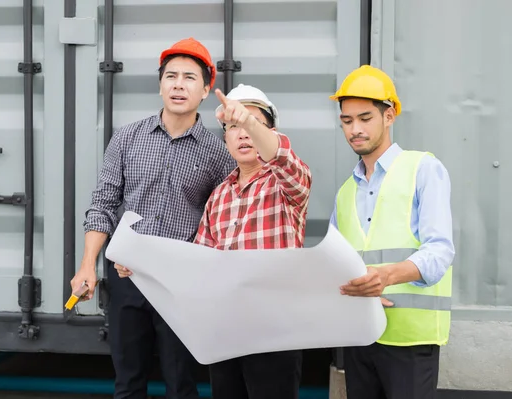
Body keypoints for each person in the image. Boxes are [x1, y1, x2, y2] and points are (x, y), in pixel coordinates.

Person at [71, 37, 236, 399]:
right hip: (126, 278)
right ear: (160, 84)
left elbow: (221, 226)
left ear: (206, 90)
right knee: (128, 382)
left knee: (181, 383)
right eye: (171, 76)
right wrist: (88, 265)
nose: (179, 84)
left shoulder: (217, 154)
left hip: (180, 283)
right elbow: (103, 203)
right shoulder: (127, 138)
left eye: (190, 78)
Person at [328, 65, 455, 399]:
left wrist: (385, 276)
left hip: (410, 341)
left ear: (390, 115)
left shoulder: (423, 169)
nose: (355, 129)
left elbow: (440, 250)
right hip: (359, 336)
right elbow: (334, 265)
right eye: (346, 120)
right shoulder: (344, 193)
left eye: (365, 118)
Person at [194, 83, 312, 399]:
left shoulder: (288, 186)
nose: (243, 133)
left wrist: (245, 119)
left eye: (253, 123)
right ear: (225, 139)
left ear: (269, 131)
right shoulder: (218, 196)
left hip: (274, 332)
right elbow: (198, 266)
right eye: (233, 126)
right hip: (225, 332)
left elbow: (283, 157)